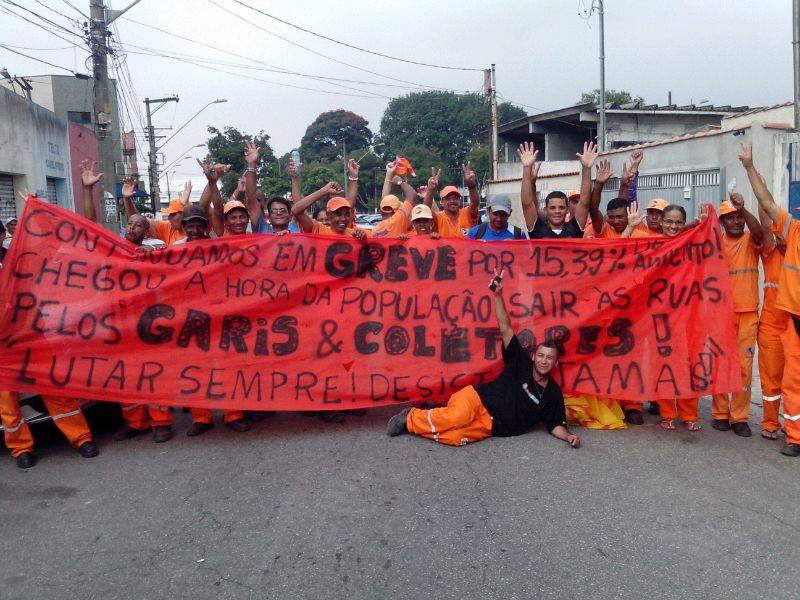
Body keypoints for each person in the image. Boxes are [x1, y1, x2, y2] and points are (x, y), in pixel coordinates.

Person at [387, 269, 580, 449]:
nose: (543, 361)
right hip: (477, 399)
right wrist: (498, 296)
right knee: (456, 418)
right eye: (540, 356)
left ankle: (419, 423)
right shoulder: (520, 361)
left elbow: (555, 425)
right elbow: (505, 328)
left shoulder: (553, 393)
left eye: (549, 358)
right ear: (534, 356)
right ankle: (411, 416)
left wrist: (568, 437)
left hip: (490, 426)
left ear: (556, 363)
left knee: (455, 438)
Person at [78, 161, 174, 442]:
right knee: (125, 372)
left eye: (137, 226)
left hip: (148, 321)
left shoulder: (154, 251)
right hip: (118, 321)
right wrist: (88, 190)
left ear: (147, 232)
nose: (132, 228)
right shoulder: (113, 249)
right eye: (129, 224)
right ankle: (136, 421)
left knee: (152, 371)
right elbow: (89, 225)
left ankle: (161, 422)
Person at [739, 143, 800, 456]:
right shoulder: (790, 235)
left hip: (791, 318)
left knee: (792, 380)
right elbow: (766, 206)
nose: (775, 231)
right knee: (780, 377)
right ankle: (779, 428)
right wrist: (750, 167)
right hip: (785, 319)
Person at [625, 203, 708, 430]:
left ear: (684, 223)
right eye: (669, 221)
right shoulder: (650, 244)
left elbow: (711, 247)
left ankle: (689, 415)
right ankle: (667, 412)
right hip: (658, 317)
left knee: (690, 366)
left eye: (678, 222)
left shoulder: (691, 243)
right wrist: (631, 227)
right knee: (663, 365)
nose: (673, 226)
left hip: (687, 315)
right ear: (660, 222)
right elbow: (621, 252)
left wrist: (703, 224)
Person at [708, 194, 765, 437]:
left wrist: (745, 209)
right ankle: (720, 414)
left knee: (743, 366)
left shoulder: (752, 239)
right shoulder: (715, 242)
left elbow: (761, 232)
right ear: (722, 222)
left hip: (748, 313)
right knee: (720, 364)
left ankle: (739, 417)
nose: (735, 222)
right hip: (720, 315)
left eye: (738, 217)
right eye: (730, 218)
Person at [519, 141, 592, 238]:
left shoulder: (575, 227)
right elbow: (526, 204)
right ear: (545, 210)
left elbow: (584, 202)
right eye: (552, 208)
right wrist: (526, 168)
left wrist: (586, 168)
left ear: (567, 210)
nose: (557, 211)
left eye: (561, 207)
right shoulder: (537, 228)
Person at [422, 162, 480, 237]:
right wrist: (431, 190)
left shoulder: (466, 213)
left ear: (459, 200)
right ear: (442, 202)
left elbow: (475, 203)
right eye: (448, 199)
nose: (452, 201)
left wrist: (471, 185)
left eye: (455, 198)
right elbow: (425, 210)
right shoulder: (438, 218)